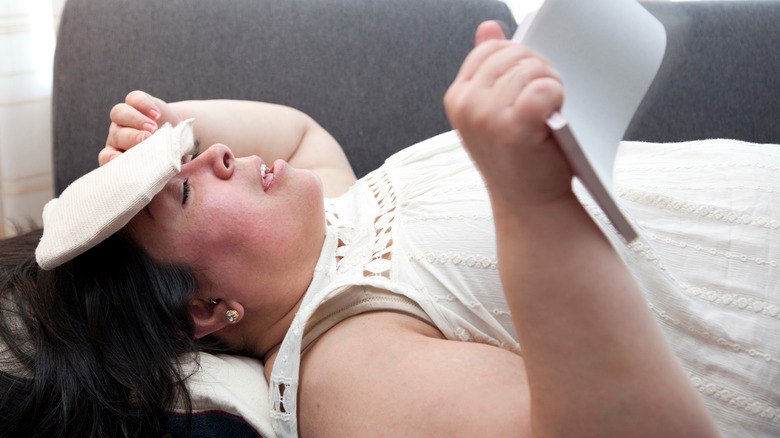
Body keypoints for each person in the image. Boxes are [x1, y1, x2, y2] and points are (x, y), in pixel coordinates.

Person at [0, 20, 756, 437]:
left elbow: (293, 133)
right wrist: (534, 205)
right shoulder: (342, 363)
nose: (217, 154)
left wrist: (166, 129)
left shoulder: (336, 216)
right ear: (207, 310)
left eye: (191, 159)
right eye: (184, 194)